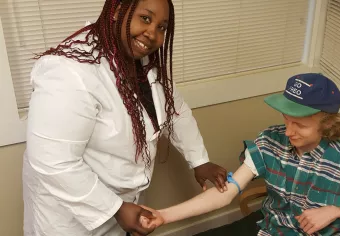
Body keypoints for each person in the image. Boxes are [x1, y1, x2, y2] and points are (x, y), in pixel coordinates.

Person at [22, 0, 228, 235]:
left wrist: (199, 160)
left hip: (124, 204)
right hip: (71, 217)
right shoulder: (69, 71)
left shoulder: (141, 60)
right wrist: (114, 208)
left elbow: (175, 109)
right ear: (118, 10)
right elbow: (53, 161)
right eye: (146, 19)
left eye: (162, 27)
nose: (152, 34)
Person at [142, 73, 340, 235]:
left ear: (327, 123)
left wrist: (338, 211)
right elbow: (227, 194)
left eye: (299, 124)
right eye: (286, 120)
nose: (288, 131)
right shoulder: (269, 140)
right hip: (268, 228)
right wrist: (164, 216)